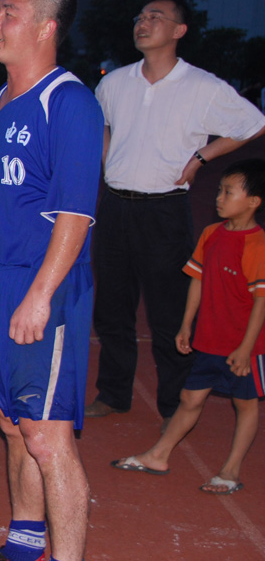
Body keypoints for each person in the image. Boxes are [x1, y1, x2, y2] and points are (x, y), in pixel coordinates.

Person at [0, 0, 103, 561]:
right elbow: (1, 199)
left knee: (46, 435)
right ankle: (22, 547)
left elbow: (76, 212)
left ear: (45, 27)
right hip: (4, 276)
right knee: (13, 424)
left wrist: (40, 295)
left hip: (49, 282)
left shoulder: (68, 101)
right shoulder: (0, 103)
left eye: (8, 13)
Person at [86, 0, 265, 428]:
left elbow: (254, 123)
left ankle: (173, 403)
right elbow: (99, 123)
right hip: (115, 207)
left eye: (156, 17)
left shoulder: (202, 86)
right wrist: (109, 159)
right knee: (111, 308)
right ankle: (113, 393)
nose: (143, 22)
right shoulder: (115, 82)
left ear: (179, 31)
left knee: (169, 312)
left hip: (164, 211)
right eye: (140, 16)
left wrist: (203, 156)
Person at [111, 158, 265, 495]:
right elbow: (197, 280)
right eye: (220, 190)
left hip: (244, 345)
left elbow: (261, 303)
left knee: (245, 404)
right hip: (209, 339)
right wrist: (185, 326)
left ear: (254, 201)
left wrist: (245, 349)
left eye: (228, 192)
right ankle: (158, 456)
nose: (219, 198)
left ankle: (230, 470)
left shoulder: (258, 246)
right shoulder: (211, 234)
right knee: (189, 397)